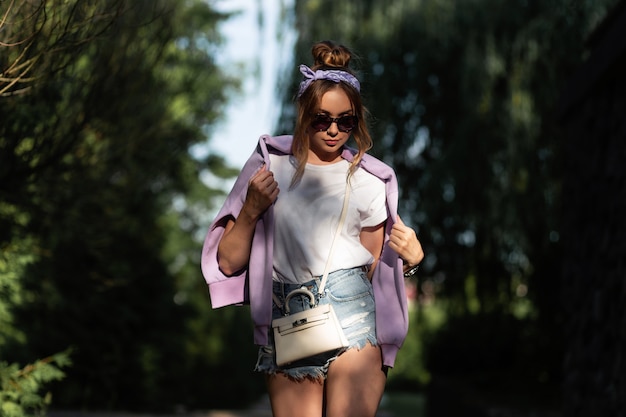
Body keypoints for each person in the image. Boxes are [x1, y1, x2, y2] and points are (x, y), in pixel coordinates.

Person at [201, 40, 423, 417]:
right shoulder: (268, 169)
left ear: (357, 121)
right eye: (322, 119)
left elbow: (371, 267)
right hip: (287, 315)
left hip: (352, 313)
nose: (334, 130)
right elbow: (227, 261)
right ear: (304, 115)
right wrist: (252, 209)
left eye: (345, 121)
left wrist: (412, 261)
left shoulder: (369, 181)